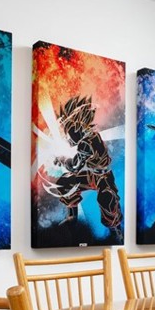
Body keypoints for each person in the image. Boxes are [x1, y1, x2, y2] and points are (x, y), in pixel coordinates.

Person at [50, 95, 123, 241]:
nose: (67, 136)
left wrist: (62, 160)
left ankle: (116, 230)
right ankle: (72, 216)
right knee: (65, 182)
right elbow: (77, 166)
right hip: (92, 176)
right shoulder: (87, 139)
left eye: (68, 130)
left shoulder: (88, 141)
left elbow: (75, 166)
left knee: (107, 199)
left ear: (77, 126)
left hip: (104, 178)